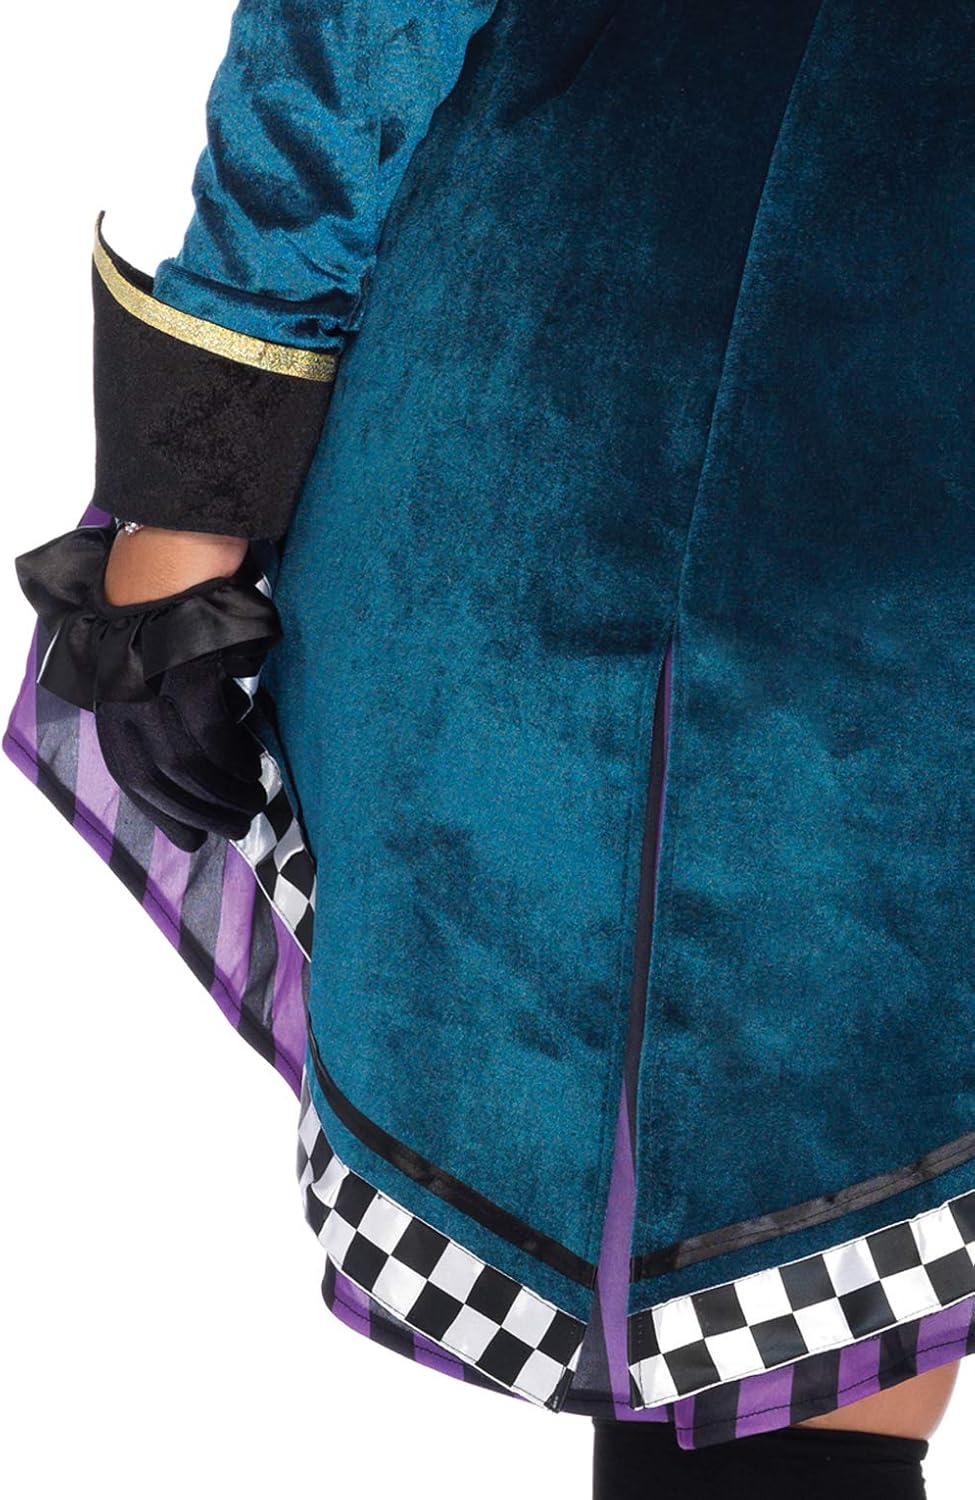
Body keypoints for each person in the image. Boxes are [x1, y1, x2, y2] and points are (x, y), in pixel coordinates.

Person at [6, 3, 973, 1495]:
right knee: (791, 1333)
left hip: (631, 482)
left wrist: (191, 506)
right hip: (736, 534)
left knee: (747, 1323)